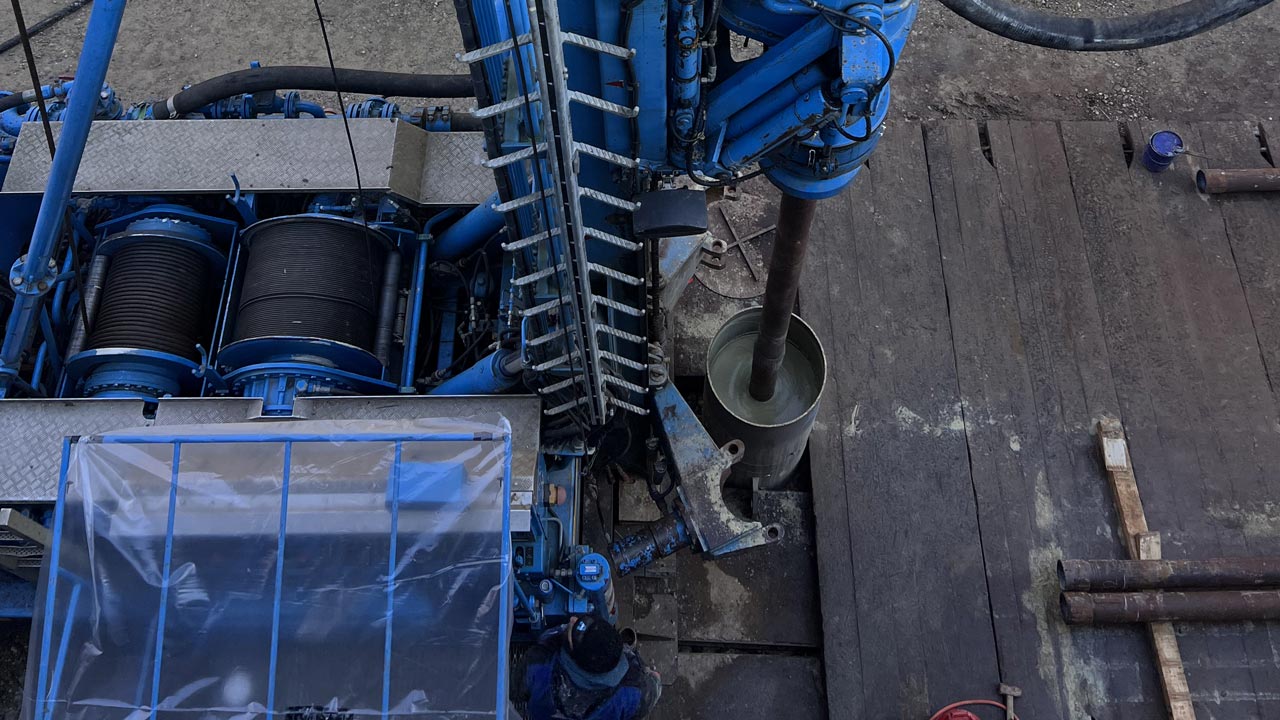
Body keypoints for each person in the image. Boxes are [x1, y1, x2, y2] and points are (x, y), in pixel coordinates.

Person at [512, 614, 661, 720]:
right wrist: (651, 676)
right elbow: (654, 686)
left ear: (574, 660)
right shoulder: (634, 692)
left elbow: (513, 689)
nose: (572, 619)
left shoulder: (538, 664)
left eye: (572, 634)